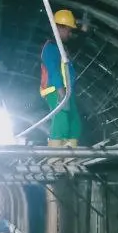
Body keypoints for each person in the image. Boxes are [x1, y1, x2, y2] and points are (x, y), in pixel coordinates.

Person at [40, 9, 81, 147]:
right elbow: (54, 71)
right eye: (68, 30)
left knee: (75, 123)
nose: (70, 34)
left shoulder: (61, 47)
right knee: (61, 122)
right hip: (55, 90)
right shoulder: (50, 48)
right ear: (58, 28)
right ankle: (55, 157)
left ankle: (70, 156)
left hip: (66, 91)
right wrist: (60, 90)